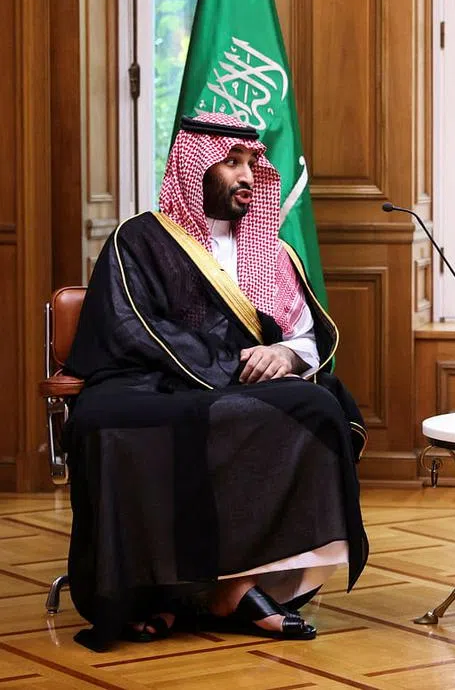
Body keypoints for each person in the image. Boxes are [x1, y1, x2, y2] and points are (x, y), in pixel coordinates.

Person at [64, 113, 369, 651]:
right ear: (195, 167)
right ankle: (157, 590)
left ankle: (240, 583)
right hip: (147, 381)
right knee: (109, 422)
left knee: (316, 406)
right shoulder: (140, 239)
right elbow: (131, 327)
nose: (247, 175)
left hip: (236, 387)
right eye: (232, 162)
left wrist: (282, 354)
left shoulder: (273, 252)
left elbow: (306, 338)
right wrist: (228, 367)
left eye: (252, 163)